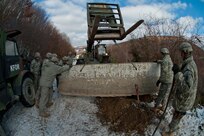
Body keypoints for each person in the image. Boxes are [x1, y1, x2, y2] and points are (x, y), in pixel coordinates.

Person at [163, 42, 198, 135]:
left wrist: (178, 73)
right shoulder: (189, 63)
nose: (181, 54)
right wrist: (179, 70)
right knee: (178, 114)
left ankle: (170, 132)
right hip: (186, 98)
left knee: (177, 114)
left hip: (185, 99)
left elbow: (186, 88)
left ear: (186, 52)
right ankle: (174, 126)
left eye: (182, 53)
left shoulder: (189, 67)